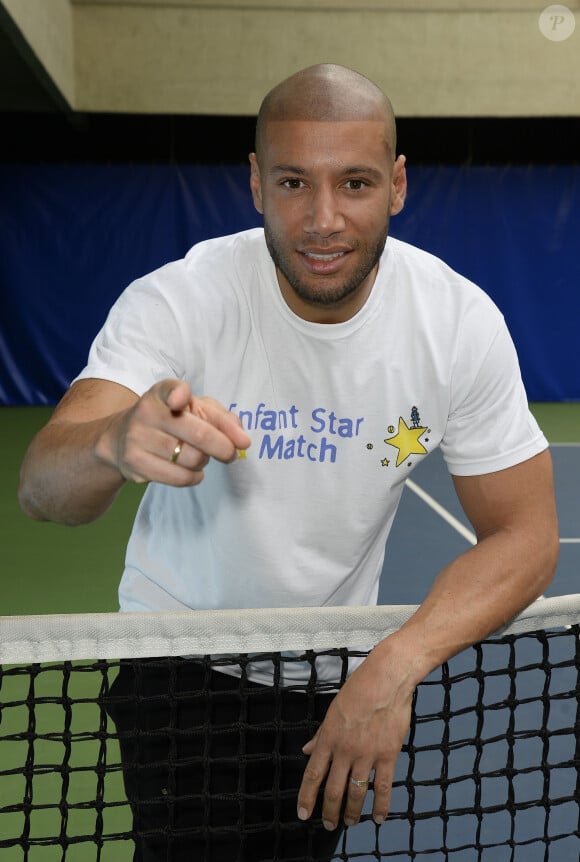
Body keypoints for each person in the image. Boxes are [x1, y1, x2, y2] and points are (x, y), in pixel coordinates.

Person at [18, 63, 559, 860]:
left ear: (399, 186)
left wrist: (395, 663)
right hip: (181, 666)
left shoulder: (457, 324)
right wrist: (108, 442)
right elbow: (42, 489)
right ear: (256, 183)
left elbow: (527, 535)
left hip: (334, 672)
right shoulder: (183, 299)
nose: (325, 218)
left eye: (356, 183)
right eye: (296, 182)